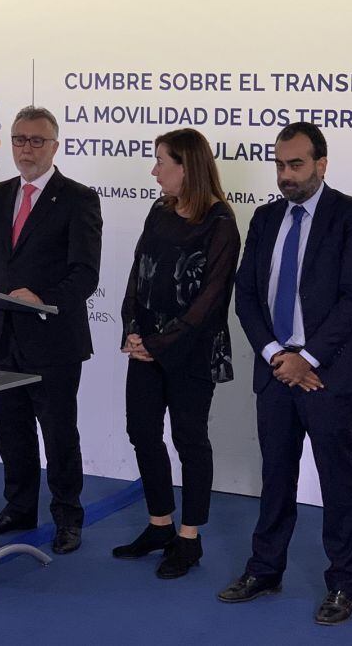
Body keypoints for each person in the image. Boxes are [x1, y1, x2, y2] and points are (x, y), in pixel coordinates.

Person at [219, 122, 352, 625]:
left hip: (328, 372)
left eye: (296, 165)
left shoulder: (351, 216)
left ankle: (344, 584)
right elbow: (246, 295)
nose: (286, 175)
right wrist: (277, 355)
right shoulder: (266, 217)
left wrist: (306, 358)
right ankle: (265, 569)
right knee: (275, 474)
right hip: (276, 368)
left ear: (321, 164)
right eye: (279, 165)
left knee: (337, 479)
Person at [0, 106, 102, 555]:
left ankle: (68, 516)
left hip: (53, 341)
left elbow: (85, 274)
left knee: (59, 432)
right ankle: (19, 507)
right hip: (2, 337)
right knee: (11, 431)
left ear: (55, 145)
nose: (26, 149)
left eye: (37, 141)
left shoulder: (78, 198)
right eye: (19, 139)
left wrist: (42, 297)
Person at [116, 129, 240, 579]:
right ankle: (160, 524)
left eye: (161, 162)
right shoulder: (159, 210)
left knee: (189, 440)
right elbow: (137, 272)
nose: (154, 171)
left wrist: (159, 344)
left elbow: (211, 301)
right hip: (145, 345)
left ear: (187, 167)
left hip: (190, 351)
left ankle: (190, 538)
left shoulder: (221, 222)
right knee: (141, 431)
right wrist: (132, 329)